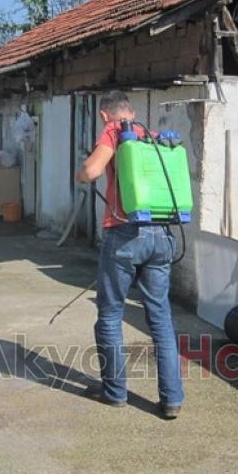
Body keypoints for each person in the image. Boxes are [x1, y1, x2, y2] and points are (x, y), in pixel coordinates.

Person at [75, 91, 184, 419]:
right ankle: (172, 399)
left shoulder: (114, 131)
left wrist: (81, 172)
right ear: (132, 113)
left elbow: (92, 171)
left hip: (124, 235)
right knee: (160, 318)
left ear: (104, 116)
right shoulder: (149, 135)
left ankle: (115, 392)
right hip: (162, 235)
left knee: (110, 315)